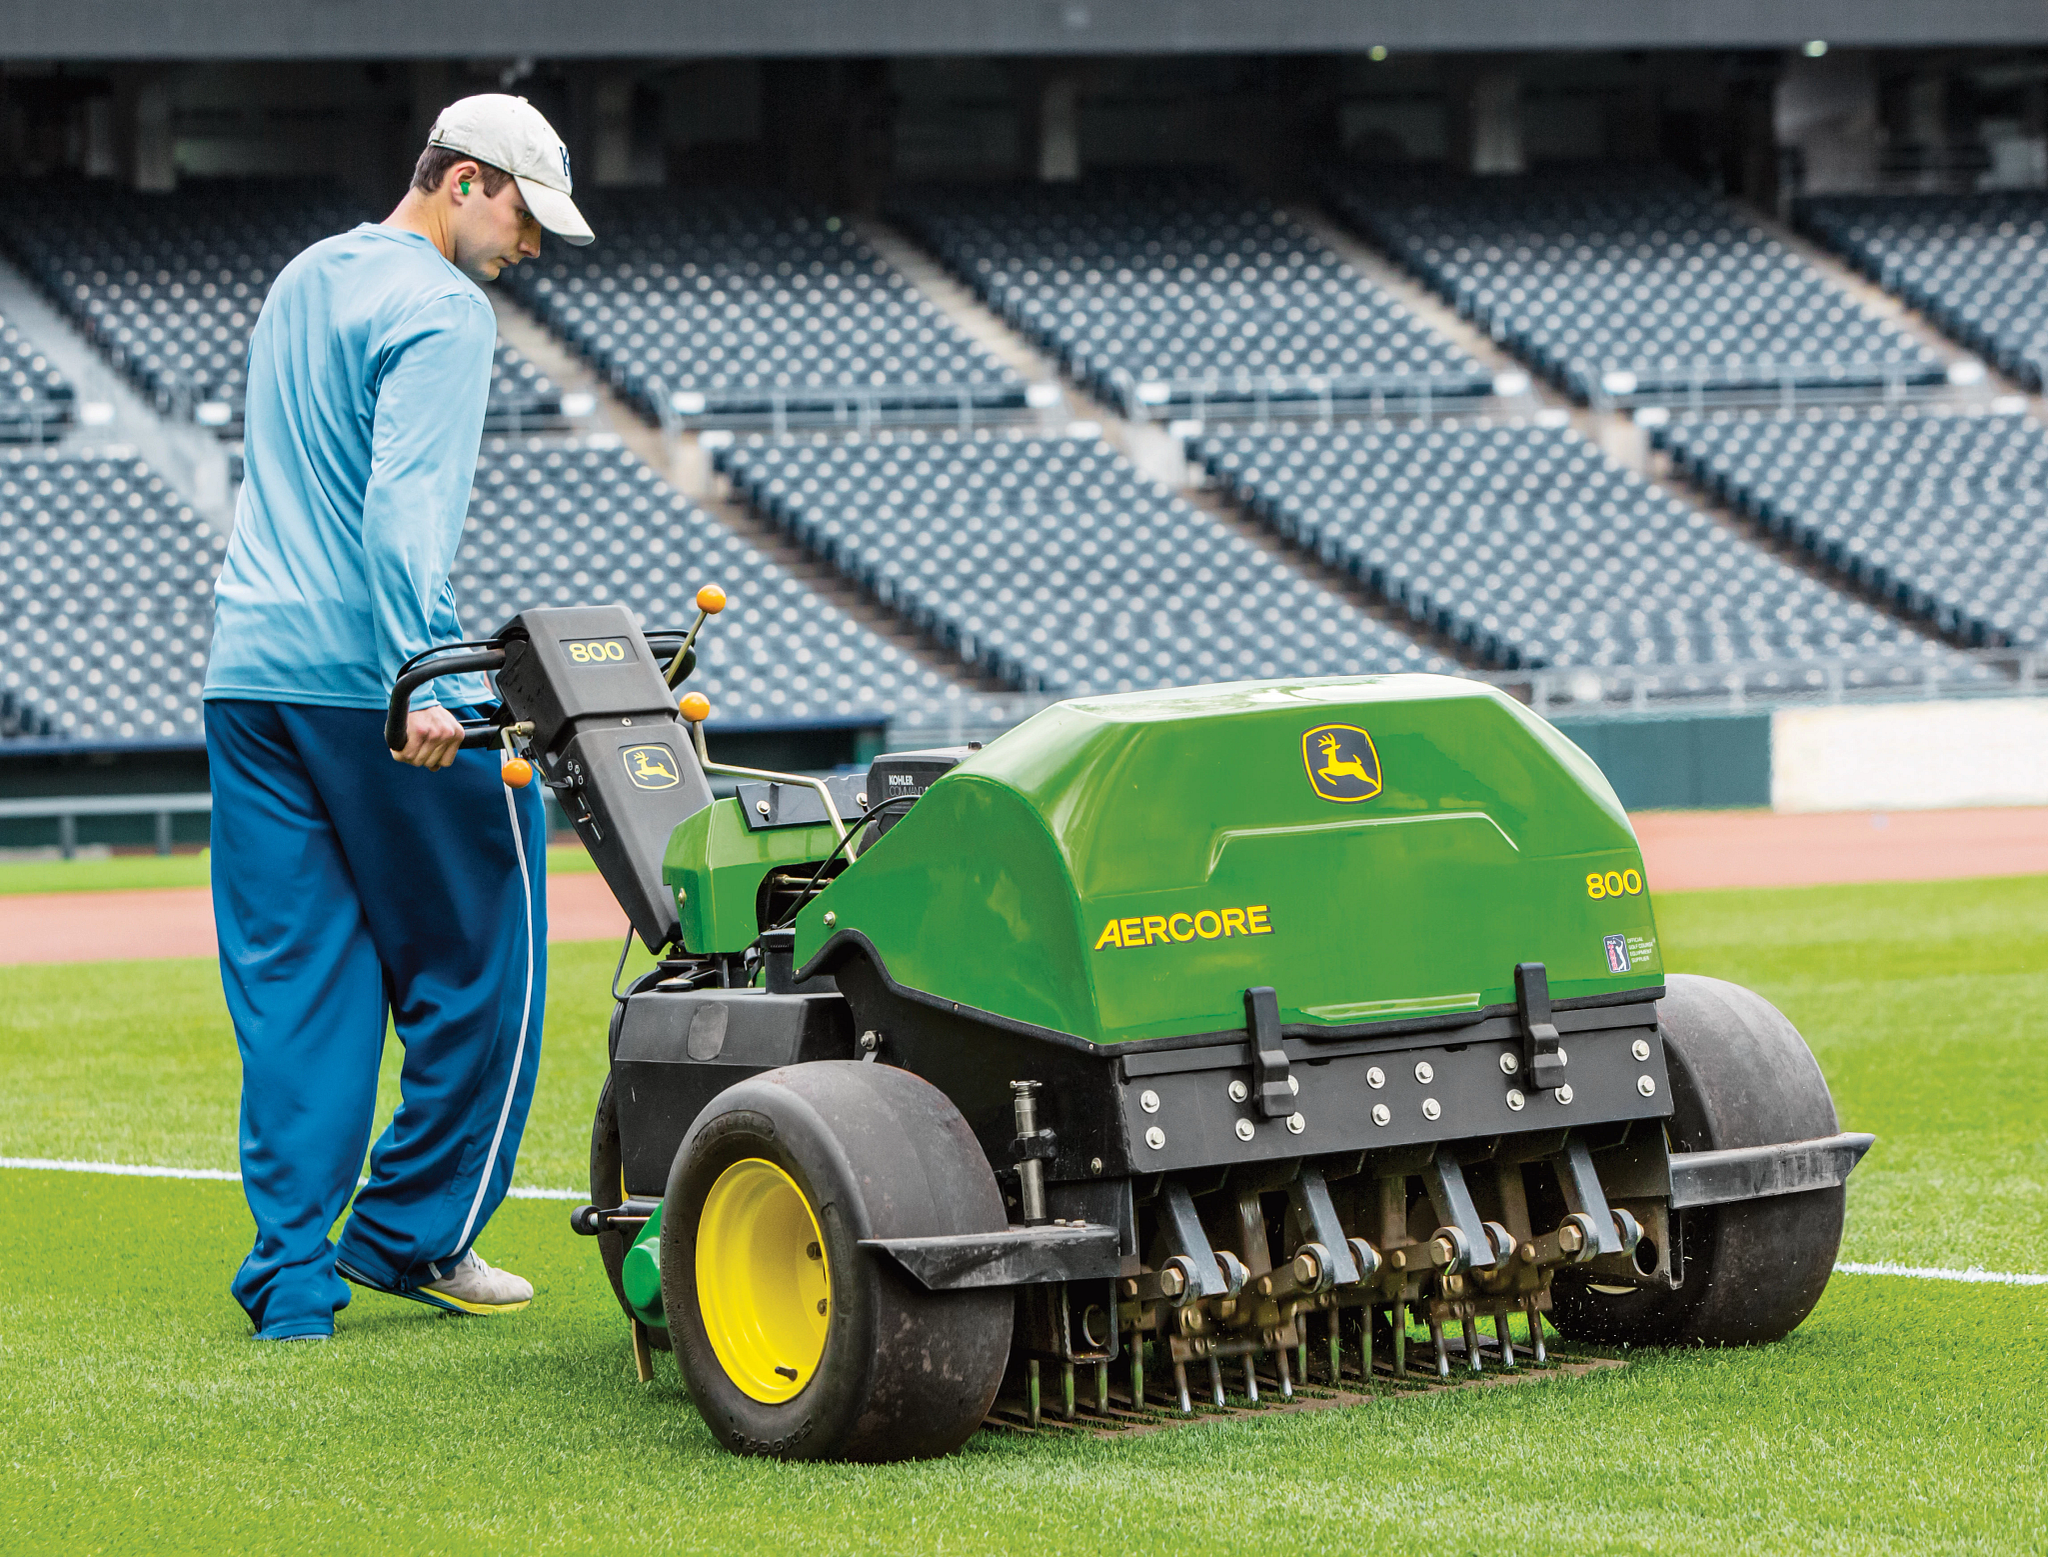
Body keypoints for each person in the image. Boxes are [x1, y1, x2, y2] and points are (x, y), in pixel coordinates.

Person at [202, 95, 594, 1340]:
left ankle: (291, 1285)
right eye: (527, 217)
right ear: (466, 181)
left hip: (248, 680)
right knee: (496, 949)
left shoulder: (303, 276)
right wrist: (426, 673)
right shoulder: (441, 307)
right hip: (372, 682)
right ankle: (412, 1233)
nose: (530, 247)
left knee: (297, 985)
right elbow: (401, 514)